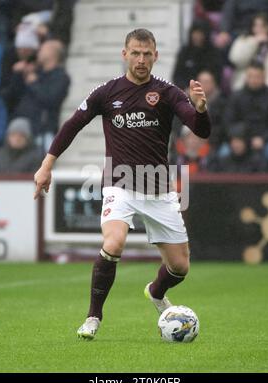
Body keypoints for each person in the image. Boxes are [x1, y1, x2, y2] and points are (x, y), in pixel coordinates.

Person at [34, 29, 211, 340]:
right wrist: (46, 165)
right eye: (135, 53)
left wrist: (200, 109)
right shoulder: (107, 92)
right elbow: (72, 125)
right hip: (121, 184)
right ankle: (93, 317)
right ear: (124, 54)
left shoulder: (167, 93)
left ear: (156, 56)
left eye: (147, 54)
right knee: (113, 243)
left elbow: (201, 130)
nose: (141, 60)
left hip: (159, 189)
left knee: (180, 268)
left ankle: (156, 292)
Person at [224, 62, 268, 171]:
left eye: (257, 77)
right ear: (246, 77)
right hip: (240, 138)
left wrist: (264, 138)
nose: (254, 80)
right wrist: (240, 139)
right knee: (223, 153)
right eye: (251, 76)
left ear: (264, 77)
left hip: (267, 138)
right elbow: (229, 122)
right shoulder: (236, 96)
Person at [228, 13, 268, 91]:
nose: (258, 29)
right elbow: (236, 60)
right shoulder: (242, 40)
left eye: (262, 26)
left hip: (266, 91)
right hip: (243, 86)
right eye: (256, 26)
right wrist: (253, 42)